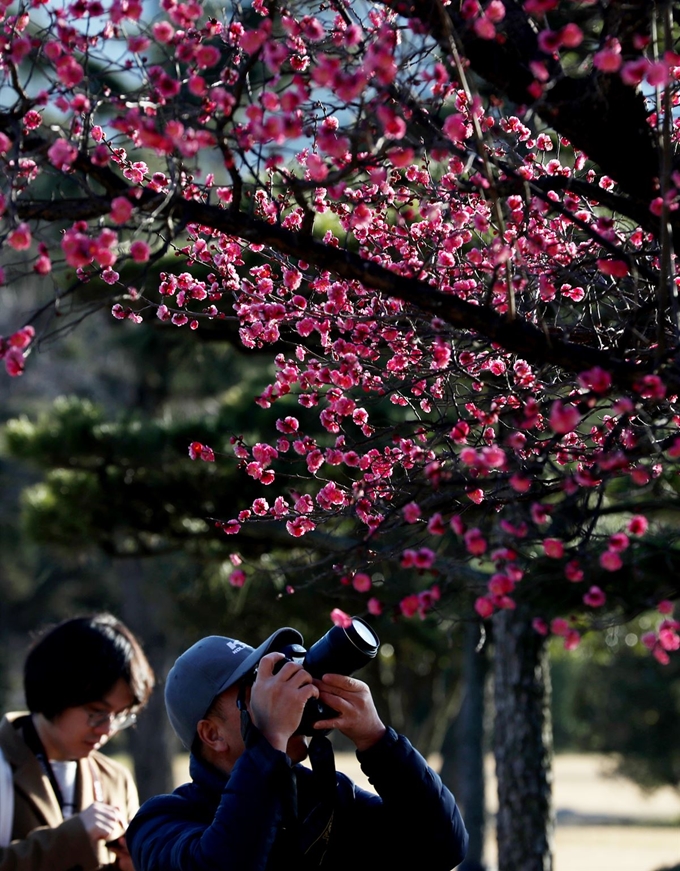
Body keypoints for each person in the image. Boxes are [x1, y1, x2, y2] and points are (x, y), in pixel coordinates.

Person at [126, 625, 469, 871]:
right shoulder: (161, 822)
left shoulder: (324, 796)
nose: (285, 694)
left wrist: (377, 740)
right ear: (213, 735)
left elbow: (440, 850)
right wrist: (270, 739)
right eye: (257, 689)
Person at [0, 613, 155, 871]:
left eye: (120, 716)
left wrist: (126, 865)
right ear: (54, 690)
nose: (107, 729)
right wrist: (71, 837)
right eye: (96, 713)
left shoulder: (115, 779)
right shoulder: (4, 763)